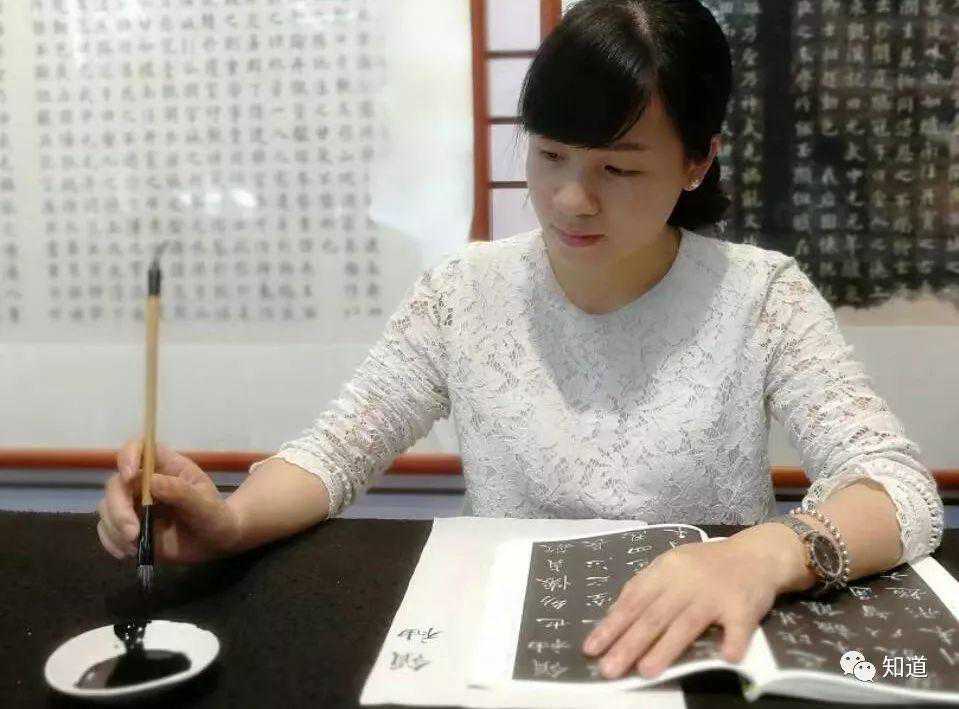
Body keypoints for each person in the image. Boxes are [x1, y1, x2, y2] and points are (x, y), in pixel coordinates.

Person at [96, 0, 944, 682]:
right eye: (549, 155)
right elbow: (336, 450)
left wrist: (767, 553)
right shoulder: (462, 291)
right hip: (498, 643)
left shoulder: (759, 295)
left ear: (696, 162)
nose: (571, 198)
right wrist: (231, 519)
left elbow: (899, 490)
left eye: (617, 168)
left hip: (698, 645)